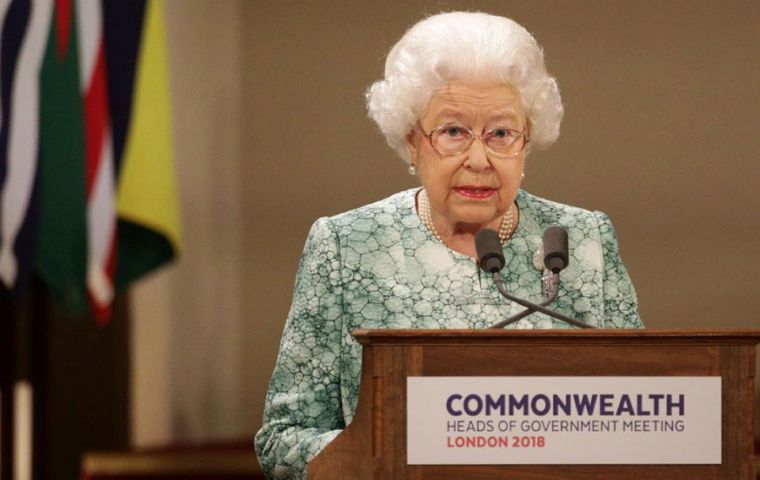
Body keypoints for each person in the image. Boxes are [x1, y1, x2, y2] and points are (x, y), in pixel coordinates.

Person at [255, 11, 642, 479]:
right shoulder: (345, 245)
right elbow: (283, 440)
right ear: (410, 140)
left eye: (501, 133)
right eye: (453, 132)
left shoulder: (583, 241)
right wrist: (393, 449)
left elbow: (641, 419)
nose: (478, 159)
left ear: (528, 140)